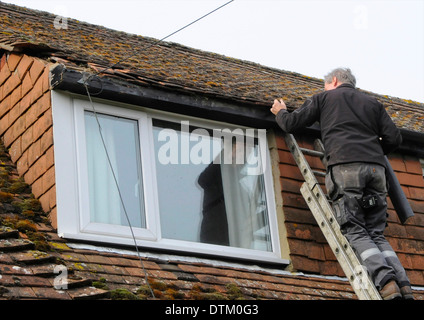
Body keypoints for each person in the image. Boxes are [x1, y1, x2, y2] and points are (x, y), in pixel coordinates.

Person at [270, 67, 413, 300]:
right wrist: (372, 152)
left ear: (334, 81)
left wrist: (281, 112)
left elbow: (291, 124)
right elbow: (394, 138)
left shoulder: (324, 98)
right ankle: (404, 286)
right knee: (376, 233)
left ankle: (386, 283)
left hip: (346, 168)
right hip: (377, 171)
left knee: (354, 229)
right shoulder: (373, 103)